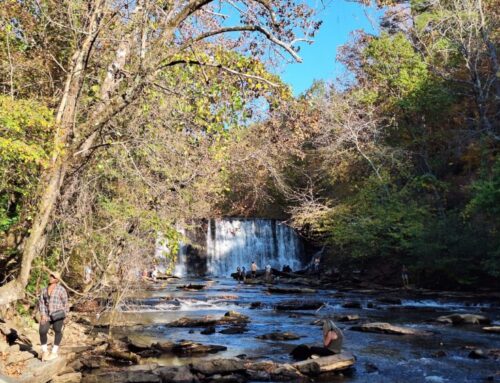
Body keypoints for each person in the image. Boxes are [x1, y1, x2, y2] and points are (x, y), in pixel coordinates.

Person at [39, 271, 69, 361]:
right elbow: (41, 302)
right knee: (42, 331)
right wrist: (43, 315)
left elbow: (65, 303)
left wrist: (65, 315)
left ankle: (54, 352)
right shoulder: (44, 289)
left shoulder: (61, 289)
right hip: (47, 315)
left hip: (58, 314)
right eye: (51, 276)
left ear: (57, 280)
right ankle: (45, 351)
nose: (51, 277)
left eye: (53, 277)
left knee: (57, 330)